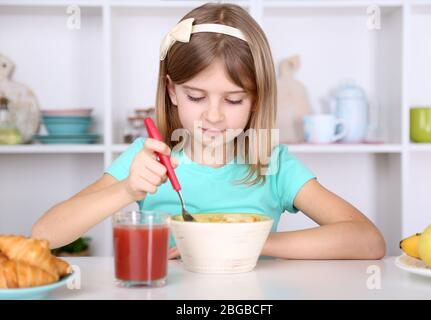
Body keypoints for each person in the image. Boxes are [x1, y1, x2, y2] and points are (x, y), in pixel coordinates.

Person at [32, 3, 385, 260]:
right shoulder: (148, 158)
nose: (213, 116)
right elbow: (44, 235)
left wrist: (246, 242)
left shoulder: (270, 163)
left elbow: (368, 241)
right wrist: (128, 188)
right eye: (196, 97)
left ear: (256, 99)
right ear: (171, 90)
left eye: (233, 100)